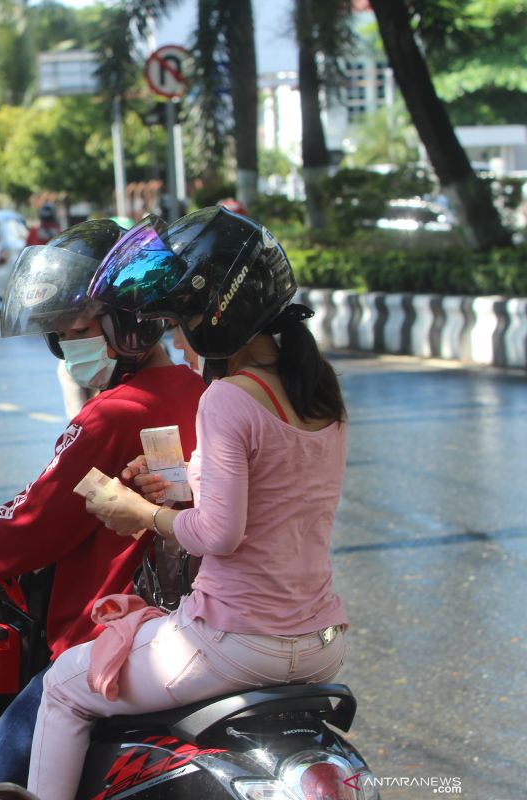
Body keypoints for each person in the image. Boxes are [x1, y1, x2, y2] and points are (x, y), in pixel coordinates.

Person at [26, 208, 350, 800]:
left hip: (238, 641)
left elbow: (219, 535)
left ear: (220, 318)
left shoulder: (227, 398)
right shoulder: (318, 388)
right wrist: (176, 485)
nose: (177, 337)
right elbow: (279, 497)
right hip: (322, 643)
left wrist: (139, 514)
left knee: (65, 687)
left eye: (184, 320)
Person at [0, 219, 206, 786]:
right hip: (190, 629)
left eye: (75, 328)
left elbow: (35, 521)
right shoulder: (202, 394)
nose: (64, 345)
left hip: (105, 638)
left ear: (131, 322)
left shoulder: (114, 414)